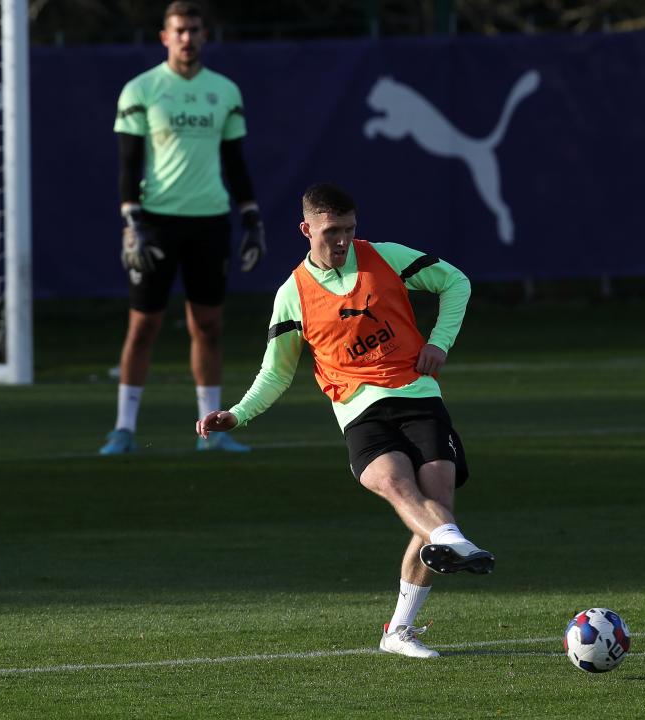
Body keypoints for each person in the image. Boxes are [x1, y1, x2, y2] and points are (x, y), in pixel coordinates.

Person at [196, 183, 494, 658]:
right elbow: (276, 372)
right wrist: (238, 414)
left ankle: (400, 630)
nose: (341, 240)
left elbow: (456, 281)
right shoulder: (292, 294)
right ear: (306, 228)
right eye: (331, 230)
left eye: (349, 229)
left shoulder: (385, 257)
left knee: (436, 504)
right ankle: (456, 543)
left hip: (418, 393)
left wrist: (440, 341)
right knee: (397, 484)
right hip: (358, 408)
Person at [100, 0, 266, 455]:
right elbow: (128, 160)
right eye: (179, 30)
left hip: (209, 220)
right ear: (164, 37)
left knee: (208, 326)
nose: (187, 38)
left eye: (194, 29)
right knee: (143, 326)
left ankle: (212, 433)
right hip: (155, 221)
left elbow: (235, 161)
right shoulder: (141, 88)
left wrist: (250, 215)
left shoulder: (225, 91)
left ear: (204, 36)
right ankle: (124, 429)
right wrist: (131, 219)